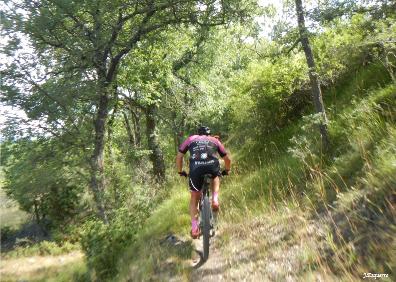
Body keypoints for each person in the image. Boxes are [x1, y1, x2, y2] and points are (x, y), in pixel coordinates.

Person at [176, 126, 232, 239]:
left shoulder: (191, 139)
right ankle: (215, 199)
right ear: (209, 134)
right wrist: (227, 170)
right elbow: (227, 159)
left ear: (198, 133)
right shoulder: (214, 140)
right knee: (216, 176)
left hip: (196, 170)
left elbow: (179, 157)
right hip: (212, 166)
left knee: (194, 198)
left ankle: (194, 228)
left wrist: (180, 171)